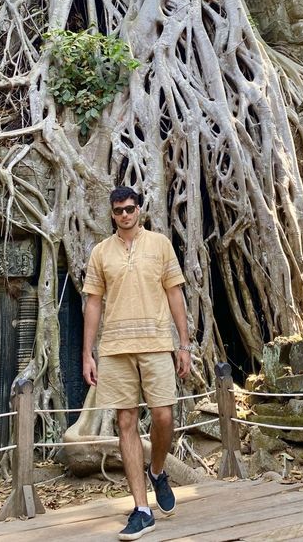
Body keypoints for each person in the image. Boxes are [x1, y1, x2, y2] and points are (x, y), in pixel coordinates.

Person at [82, 186, 191, 541]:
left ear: (140, 210)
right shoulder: (101, 252)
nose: (125, 215)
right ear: (111, 214)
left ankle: (157, 470)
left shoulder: (159, 244)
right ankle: (142, 510)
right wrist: (88, 352)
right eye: (118, 211)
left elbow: (175, 293)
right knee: (125, 420)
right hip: (114, 348)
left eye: (130, 209)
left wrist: (184, 345)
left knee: (163, 415)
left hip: (157, 343)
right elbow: (94, 303)